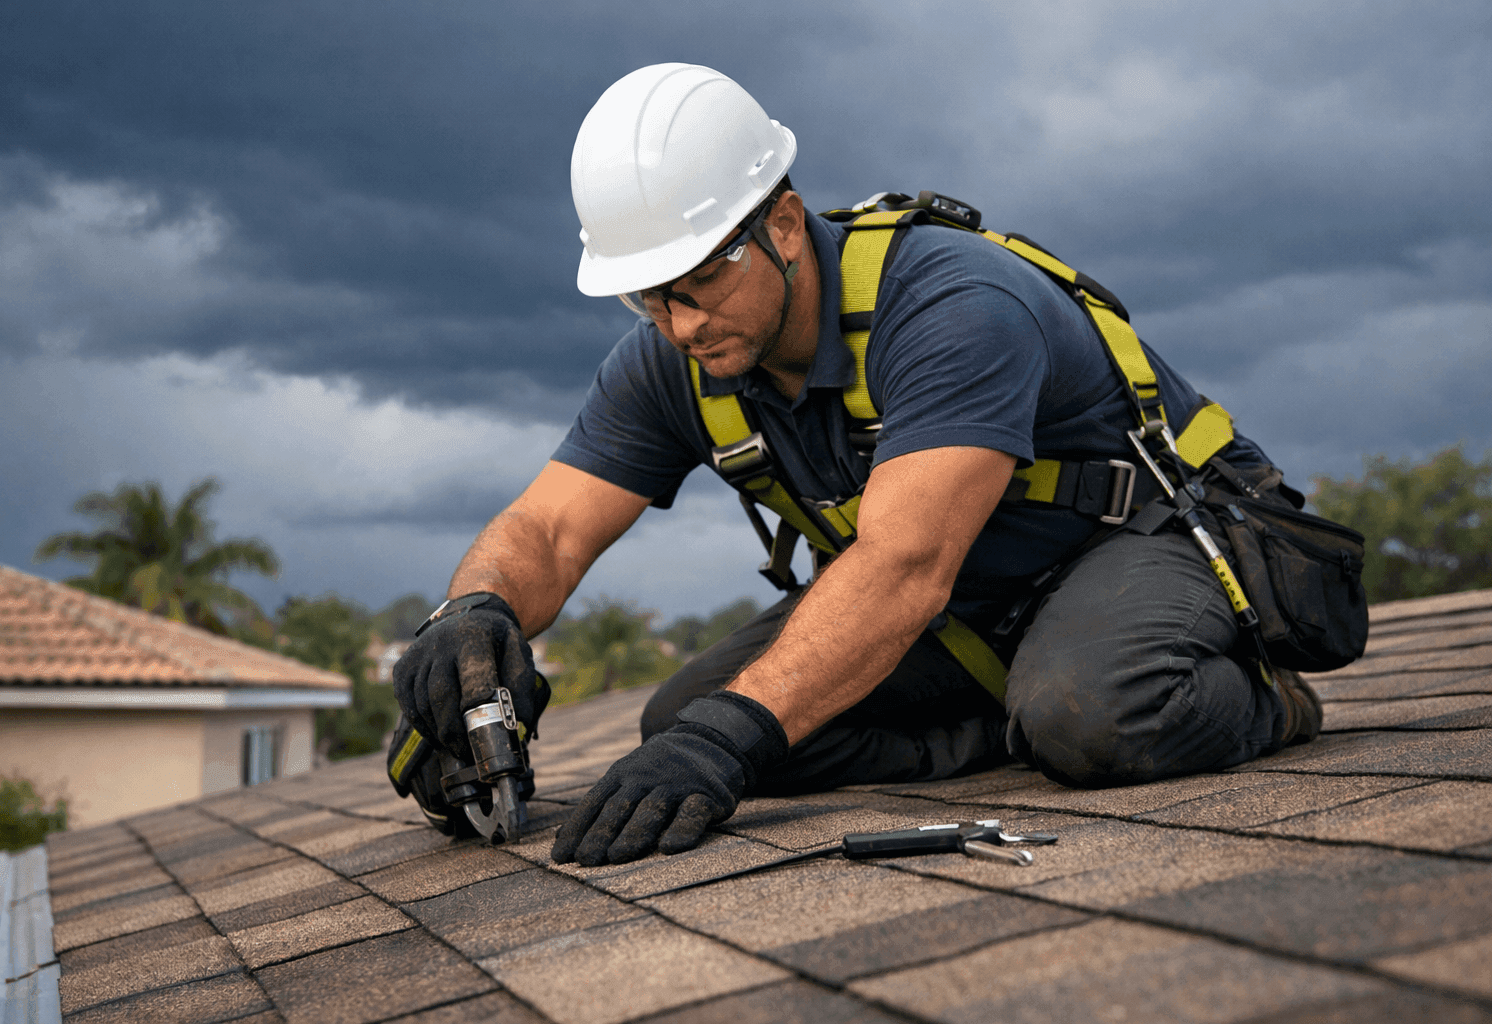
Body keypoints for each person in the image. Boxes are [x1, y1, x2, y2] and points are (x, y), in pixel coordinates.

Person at [391, 63, 1322, 868]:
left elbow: (904, 566)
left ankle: (1259, 700)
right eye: (648, 296)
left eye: (702, 279)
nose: (680, 324)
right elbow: (550, 528)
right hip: (980, 605)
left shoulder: (952, 304)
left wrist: (732, 739)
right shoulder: (680, 354)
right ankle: (1015, 731)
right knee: (680, 723)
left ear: (785, 224)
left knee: (1094, 714)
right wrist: (473, 619)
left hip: (1146, 535)